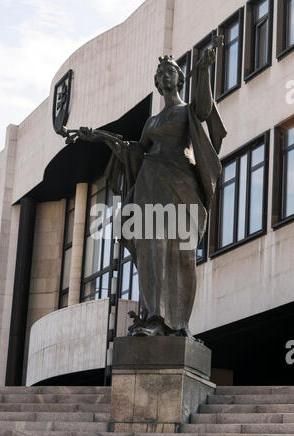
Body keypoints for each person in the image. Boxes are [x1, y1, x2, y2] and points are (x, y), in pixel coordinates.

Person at [67, 44, 226, 338]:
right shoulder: (152, 121)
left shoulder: (186, 111)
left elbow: (204, 109)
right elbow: (136, 151)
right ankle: (154, 317)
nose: (165, 76)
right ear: (157, 82)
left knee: (181, 253)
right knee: (151, 249)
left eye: (170, 72)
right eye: (160, 73)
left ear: (179, 79)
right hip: (150, 185)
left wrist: (203, 70)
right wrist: (98, 136)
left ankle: (178, 322)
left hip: (181, 184)